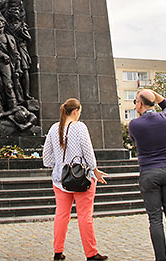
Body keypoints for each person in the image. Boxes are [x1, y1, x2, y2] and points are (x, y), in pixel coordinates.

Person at [42, 98, 108, 261]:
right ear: (76, 111)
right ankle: (91, 254)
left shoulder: (53, 128)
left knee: (61, 215)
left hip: (60, 180)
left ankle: (58, 252)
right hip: (82, 179)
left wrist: (59, 165)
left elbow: (46, 159)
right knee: (85, 216)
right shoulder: (80, 128)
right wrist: (95, 171)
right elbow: (88, 153)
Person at [128, 89, 166, 261]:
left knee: (155, 219)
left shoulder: (135, 125)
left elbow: (133, 140)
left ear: (139, 104)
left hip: (149, 172)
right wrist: (152, 93)